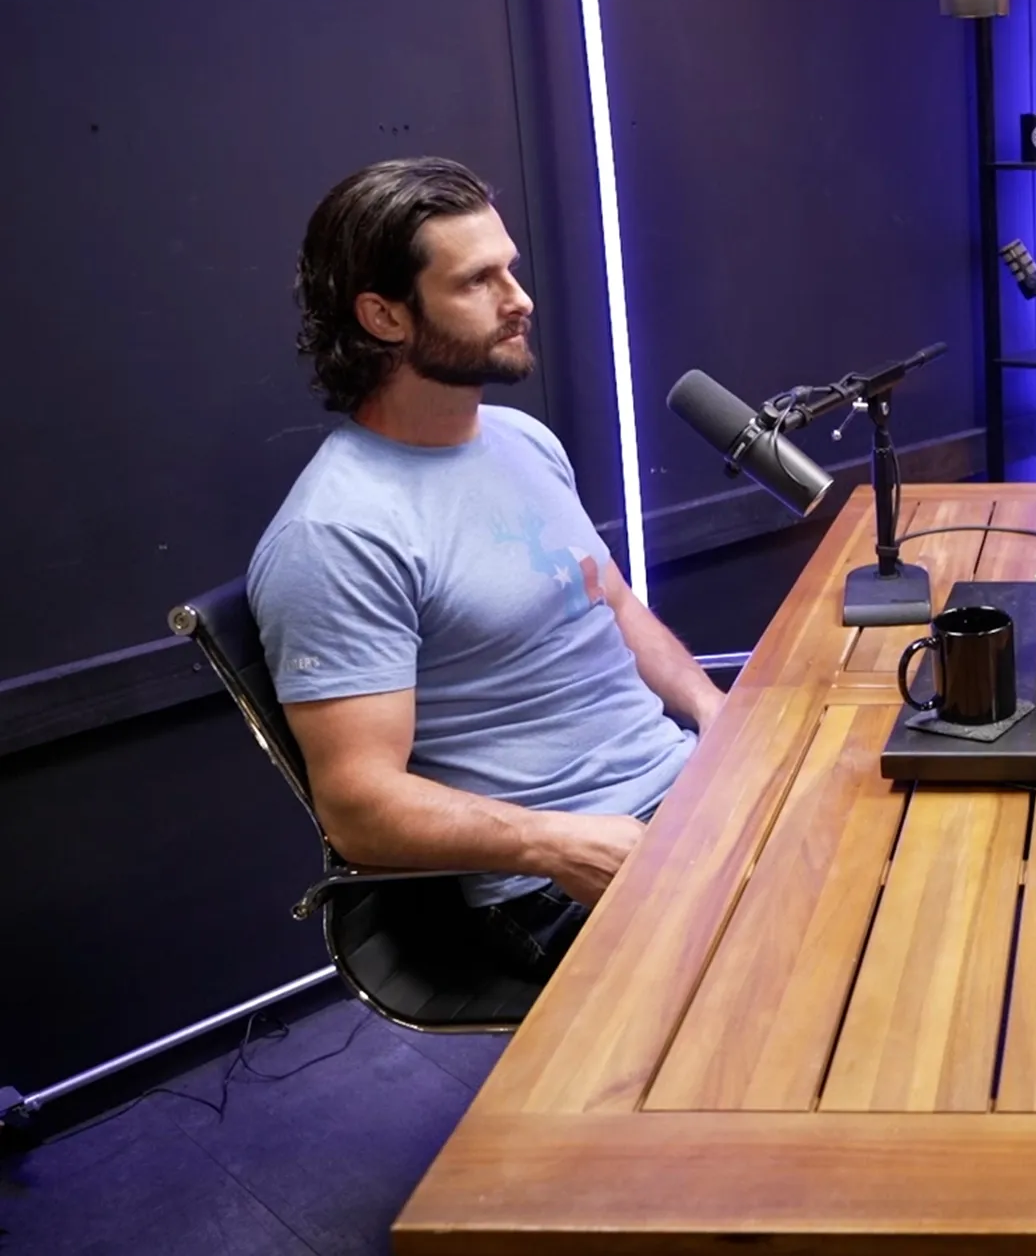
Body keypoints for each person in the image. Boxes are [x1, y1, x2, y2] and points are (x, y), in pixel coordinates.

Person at [248, 157, 727, 978]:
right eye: (479, 281)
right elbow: (357, 807)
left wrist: (712, 713)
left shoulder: (521, 439)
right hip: (554, 881)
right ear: (384, 316)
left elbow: (609, 601)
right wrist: (554, 842)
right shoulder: (336, 534)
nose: (521, 299)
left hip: (684, 791)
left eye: (510, 268)